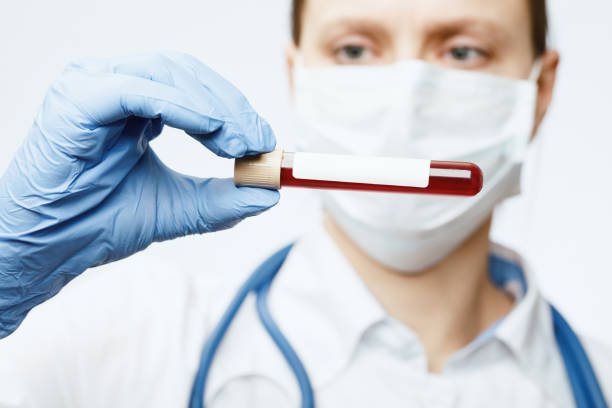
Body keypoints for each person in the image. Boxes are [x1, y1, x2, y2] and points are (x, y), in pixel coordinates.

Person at [0, 0, 610, 406]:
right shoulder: (125, 340)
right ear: (297, 76)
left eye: (462, 51)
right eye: (353, 50)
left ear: (541, 88)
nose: (406, 98)